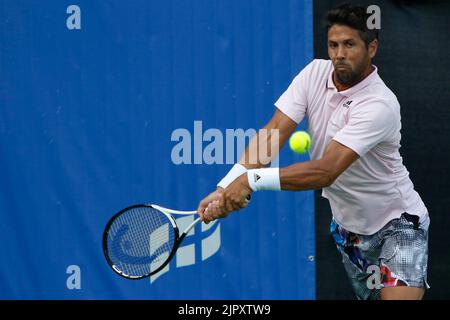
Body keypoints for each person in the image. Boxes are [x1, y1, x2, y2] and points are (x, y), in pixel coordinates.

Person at [196, 4, 430, 300]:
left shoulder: (379, 105)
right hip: (350, 232)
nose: (339, 54)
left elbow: (326, 170)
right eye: (333, 45)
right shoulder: (313, 74)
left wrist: (251, 180)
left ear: (371, 48)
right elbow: (275, 131)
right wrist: (226, 186)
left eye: (349, 45)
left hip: (398, 224)